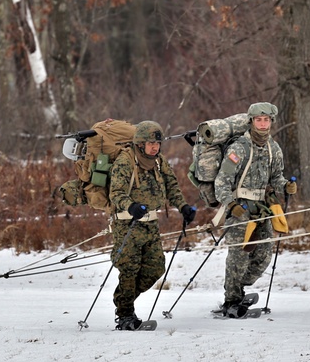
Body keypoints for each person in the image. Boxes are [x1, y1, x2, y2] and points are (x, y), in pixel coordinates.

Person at [107, 121, 196, 330]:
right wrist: (131, 206)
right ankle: (125, 315)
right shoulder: (125, 161)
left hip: (150, 224)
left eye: (157, 143)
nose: (155, 147)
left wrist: (182, 206)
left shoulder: (158, 161)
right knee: (129, 269)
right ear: (140, 144)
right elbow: (116, 193)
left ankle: (123, 299)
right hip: (127, 223)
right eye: (150, 143)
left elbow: (171, 185)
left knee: (155, 268)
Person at [213, 102, 296, 318]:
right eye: (258, 120)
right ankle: (231, 300)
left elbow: (276, 177)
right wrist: (231, 204)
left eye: (266, 120)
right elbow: (222, 181)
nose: (262, 124)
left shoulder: (273, 149)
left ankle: (239, 288)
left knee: (263, 257)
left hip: (262, 209)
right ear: (251, 121)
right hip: (240, 208)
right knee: (238, 256)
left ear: (271, 121)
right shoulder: (239, 148)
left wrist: (285, 186)